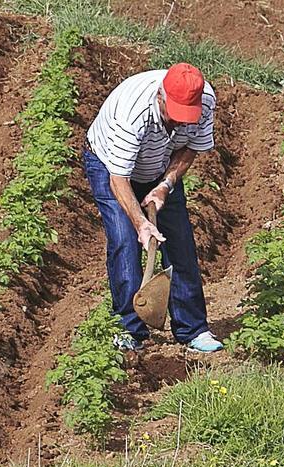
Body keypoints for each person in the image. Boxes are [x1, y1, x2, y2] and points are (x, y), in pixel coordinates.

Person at [82, 62, 223, 353]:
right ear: (161, 96)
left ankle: (193, 329)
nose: (181, 123)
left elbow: (191, 148)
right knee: (124, 241)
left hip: (161, 165)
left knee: (180, 241)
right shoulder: (133, 112)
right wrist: (141, 223)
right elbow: (119, 179)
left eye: (187, 116)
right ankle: (128, 328)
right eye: (176, 115)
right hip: (110, 167)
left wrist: (165, 186)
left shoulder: (206, 100)